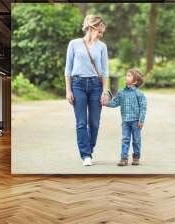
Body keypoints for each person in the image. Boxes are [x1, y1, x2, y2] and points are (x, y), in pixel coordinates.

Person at [64, 15, 109, 166]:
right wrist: (68, 90)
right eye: (100, 30)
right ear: (92, 27)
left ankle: (90, 148)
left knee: (94, 122)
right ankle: (86, 155)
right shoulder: (74, 44)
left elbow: (104, 71)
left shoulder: (102, 46)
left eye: (103, 32)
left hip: (96, 85)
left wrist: (105, 91)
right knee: (81, 122)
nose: (101, 34)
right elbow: (68, 69)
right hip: (78, 85)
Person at [105, 69, 147, 166]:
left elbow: (143, 108)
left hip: (136, 121)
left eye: (129, 75)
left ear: (135, 81)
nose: (126, 77)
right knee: (125, 139)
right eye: (126, 75)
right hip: (125, 121)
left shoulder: (139, 94)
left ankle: (136, 157)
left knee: (136, 139)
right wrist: (106, 103)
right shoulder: (121, 92)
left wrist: (141, 120)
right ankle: (124, 158)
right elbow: (115, 103)